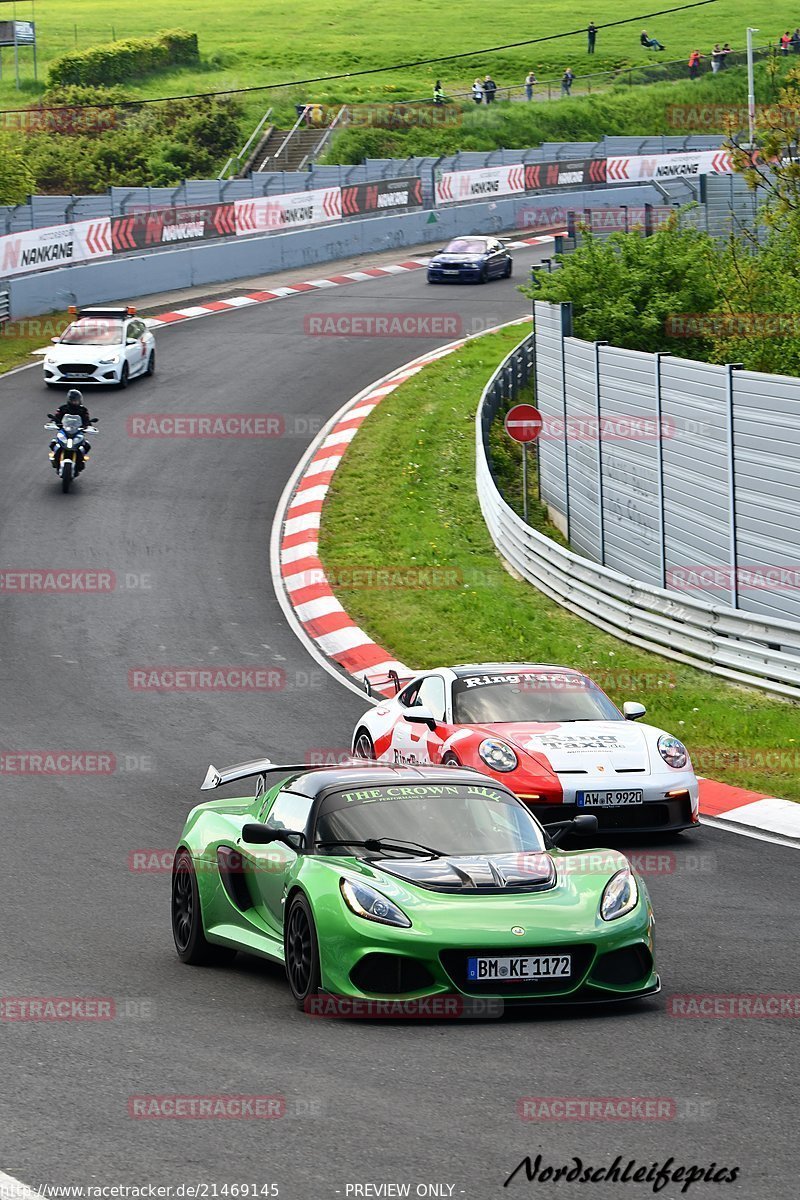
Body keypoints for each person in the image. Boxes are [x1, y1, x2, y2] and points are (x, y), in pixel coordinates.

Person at [50, 389, 92, 471]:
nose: (75, 402)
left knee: (87, 445)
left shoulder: (83, 410)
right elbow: (56, 417)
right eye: (73, 401)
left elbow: (86, 420)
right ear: (69, 400)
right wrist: (55, 422)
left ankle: (81, 460)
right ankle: (54, 457)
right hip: (65, 430)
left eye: (76, 401)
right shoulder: (63, 408)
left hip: (77, 432)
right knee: (53, 443)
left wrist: (87, 426)